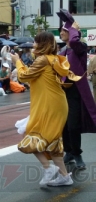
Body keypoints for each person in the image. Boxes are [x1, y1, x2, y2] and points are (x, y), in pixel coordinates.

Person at [11, 31, 76, 186]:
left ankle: (48, 168)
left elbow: (23, 76)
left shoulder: (42, 60)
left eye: (35, 42)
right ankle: (65, 177)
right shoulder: (53, 59)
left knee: (30, 135)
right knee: (52, 141)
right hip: (56, 103)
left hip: (49, 105)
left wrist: (17, 62)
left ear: (42, 44)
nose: (33, 45)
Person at [59, 20, 96, 169]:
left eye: (64, 30)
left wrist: (74, 29)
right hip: (62, 91)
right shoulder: (62, 52)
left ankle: (77, 153)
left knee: (73, 125)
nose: (61, 33)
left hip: (75, 91)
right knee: (63, 124)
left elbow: (75, 42)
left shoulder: (80, 48)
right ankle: (68, 151)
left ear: (72, 33)